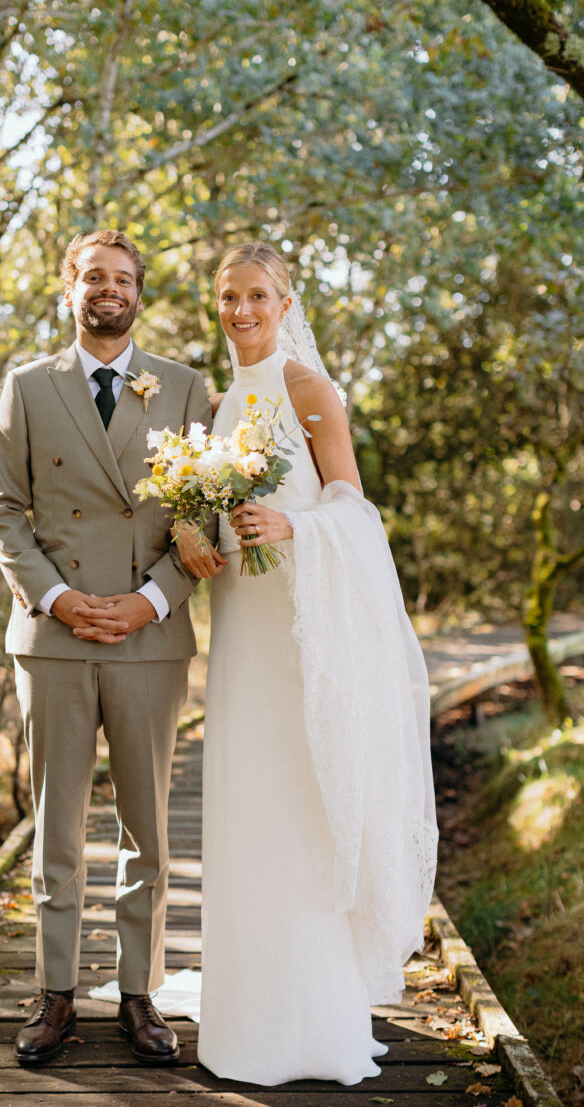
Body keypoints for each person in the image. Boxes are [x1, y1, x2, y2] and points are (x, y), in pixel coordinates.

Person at [177, 243, 438, 1086]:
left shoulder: (307, 390)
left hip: (298, 628)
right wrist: (193, 533)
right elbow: (206, 512)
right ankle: (243, 1018)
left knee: (301, 799)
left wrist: (296, 529)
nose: (242, 310)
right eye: (228, 297)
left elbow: (353, 508)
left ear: (286, 302)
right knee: (246, 803)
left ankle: (313, 1021)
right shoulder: (215, 406)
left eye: (257, 294)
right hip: (240, 628)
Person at [0, 229, 212, 1066]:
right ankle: (55, 994)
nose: (108, 290)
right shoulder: (27, 386)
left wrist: (149, 600)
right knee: (59, 826)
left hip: (149, 635)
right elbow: (2, 508)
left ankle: (141, 997)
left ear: (139, 295)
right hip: (56, 635)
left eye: (123, 279)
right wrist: (60, 597)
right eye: (94, 277)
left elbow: (206, 516)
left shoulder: (185, 387)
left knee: (148, 828)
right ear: (69, 288)